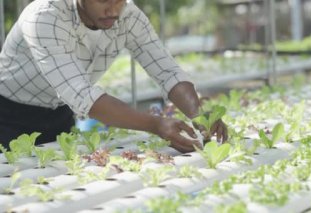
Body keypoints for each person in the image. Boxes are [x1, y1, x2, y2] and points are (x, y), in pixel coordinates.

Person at [0, 0, 228, 152]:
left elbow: (166, 69)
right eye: (102, 0)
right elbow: (82, 94)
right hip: (8, 114)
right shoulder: (45, 16)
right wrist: (156, 124)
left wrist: (199, 114)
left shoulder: (128, 14)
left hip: (60, 113)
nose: (113, 9)